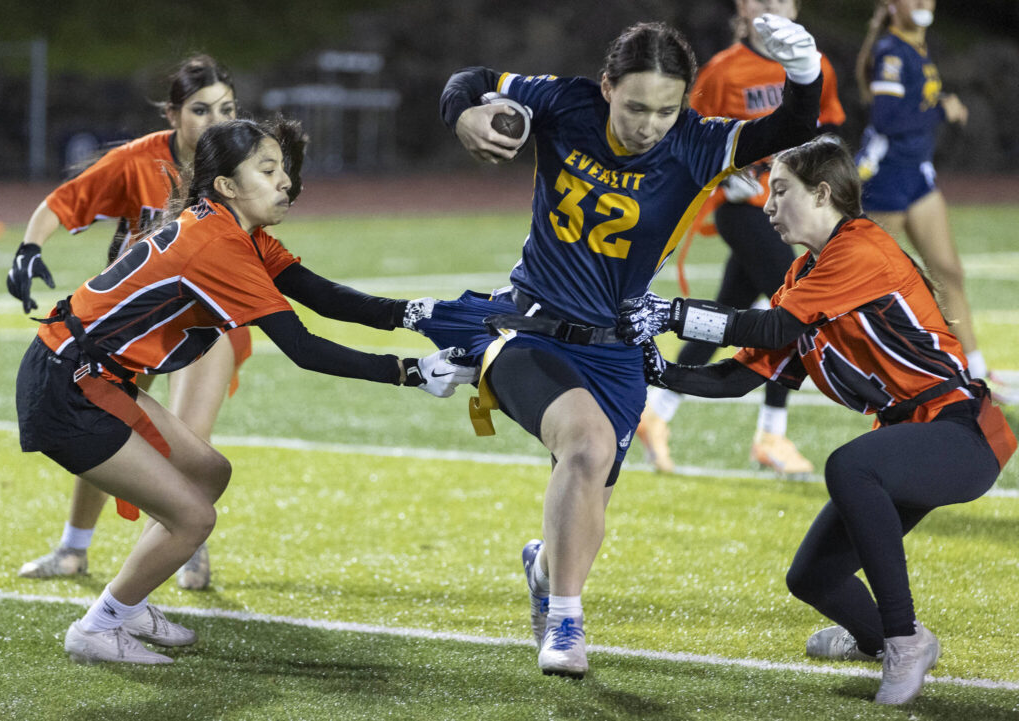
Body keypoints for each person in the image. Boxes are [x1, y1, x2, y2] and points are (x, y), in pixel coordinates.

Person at [418, 16, 824, 678]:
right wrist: (463, 113)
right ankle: (566, 623)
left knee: (586, 501)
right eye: (635, 106)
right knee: (587, 447)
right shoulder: (566, 102)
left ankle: (543, 569)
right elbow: (474, 79)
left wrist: (803, 69)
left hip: (615, 349)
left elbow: (793, 126)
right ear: (607, 87)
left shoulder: (695, 143)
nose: (649, 125)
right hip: (529, 325)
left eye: (666, 110)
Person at [15, 117, 476, 665]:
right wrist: (410, 372)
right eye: (268, 170)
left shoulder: (234, 230)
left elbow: (322, 295)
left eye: (283, 169)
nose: (286, 181)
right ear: (227, 186)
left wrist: (419, 313)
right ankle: (97, 627)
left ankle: (127, 604)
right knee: (195, 518)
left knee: (210, 474)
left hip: (85, 372)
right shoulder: (219, 244)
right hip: (67, 384)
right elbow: (303, 348)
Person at [616, 135, 1015, 705]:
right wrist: (659, 371)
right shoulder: (806, 275)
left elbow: (772, 328)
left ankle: (902, 639)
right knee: (813, 579)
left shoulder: (859, 248)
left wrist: (672, 314)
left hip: (961, 432)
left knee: (850, 467)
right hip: (912, 434)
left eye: (781, 191)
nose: (768, 205)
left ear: (823, 194)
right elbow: (741, 376)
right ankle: (884, 639)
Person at [8, 55, 242, 590]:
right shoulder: (139, 160)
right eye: (201, 109)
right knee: (103, 434)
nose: (216, 121)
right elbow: (62, 202)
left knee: (188, 446)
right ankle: (74, 548)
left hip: (203, 326)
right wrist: (28, 248)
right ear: (173, 114)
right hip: (129, 326)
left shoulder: (241, 165)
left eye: (227, 109)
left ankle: (184, 542)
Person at [636, 0, 845, 477]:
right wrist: (722, 173)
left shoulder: (813, 63)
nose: (770, 6)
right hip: (745, 211)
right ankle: (771, 433)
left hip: (789, 214)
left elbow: (831, 129)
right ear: (742, 8)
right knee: (795, 315)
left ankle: (657, 411)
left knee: (727, 312)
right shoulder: (723, 71)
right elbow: (684, 137)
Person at [855, 0, 1015, 404]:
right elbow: (887, 118)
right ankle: (859, 367)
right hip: (887, 179)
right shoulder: (892, 51)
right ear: (892, 6)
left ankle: (974, 375)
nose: (923, 2)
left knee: (948, 272)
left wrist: (936, 105)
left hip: (917, 175)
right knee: (872, 286)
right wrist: (942, 110)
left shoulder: (916, 47)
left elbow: (911, 104)